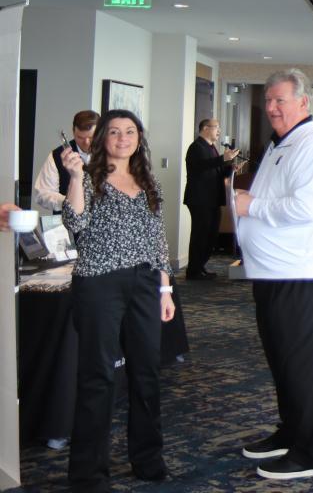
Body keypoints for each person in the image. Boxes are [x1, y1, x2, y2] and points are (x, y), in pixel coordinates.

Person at [233, 70, 313, 480]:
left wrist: (249, 208)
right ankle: (291, 432)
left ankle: (312, 453)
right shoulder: (284, 145)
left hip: (302, 275)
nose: (272, 108)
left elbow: (304, 209)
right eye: (268, 101)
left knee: (304, 367)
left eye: (280, 100)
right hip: (275, 273)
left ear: (304, 102)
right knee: (284, 362)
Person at [60, 110, 175, 491]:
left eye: (130, 132)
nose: (123, 138)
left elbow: (156, 238)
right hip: (99, 284)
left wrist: (165, 288)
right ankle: (88, 474)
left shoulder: (146, 179)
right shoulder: (89, 178)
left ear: (138, 137)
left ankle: (147, 457)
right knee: (98, 377)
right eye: (114, 132)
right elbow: (75, 224)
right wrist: (76, 176)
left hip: (144, 283)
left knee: (146, 373)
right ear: (100, 138)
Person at [182, 118, 239, 281]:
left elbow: (216, 171)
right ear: (205, 128)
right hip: (200, 199)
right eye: (216, 128)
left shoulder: (212, 148)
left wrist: (230, 168)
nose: (219, 131)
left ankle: (201, 266)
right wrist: (223, 159)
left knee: (211, 234)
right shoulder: (196, 147)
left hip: (212, 198)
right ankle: (193, 271)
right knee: (201, 234)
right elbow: (201, 167)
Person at [33, 110, 98, 213]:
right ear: (73, 132)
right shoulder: (57, 155)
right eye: (80, 137)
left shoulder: (112, 154)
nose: (86, 143)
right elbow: (42, 194)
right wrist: (69, 202)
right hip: (66, 225)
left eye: (91, 137)